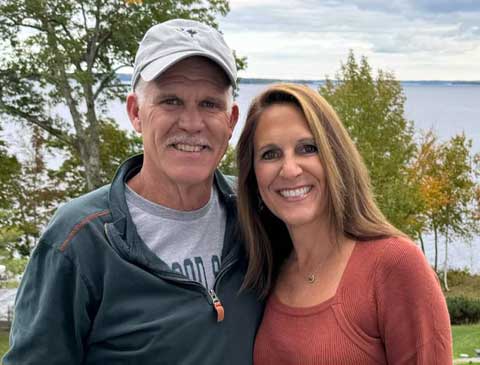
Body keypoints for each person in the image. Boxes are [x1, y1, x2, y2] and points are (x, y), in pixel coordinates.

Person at [3, 19, 263, 365]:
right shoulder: (81, 240)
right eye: (170, 101)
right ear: (135, 112)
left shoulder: (256, 213)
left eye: (209, 104)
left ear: (231, 120)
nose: (191, 122)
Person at [236, 83, 452, 364]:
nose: (289, 169)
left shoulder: (395, 265)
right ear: (253, 175)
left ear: (334, 157)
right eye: (270, 154)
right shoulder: (266, 271)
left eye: (307, 148)